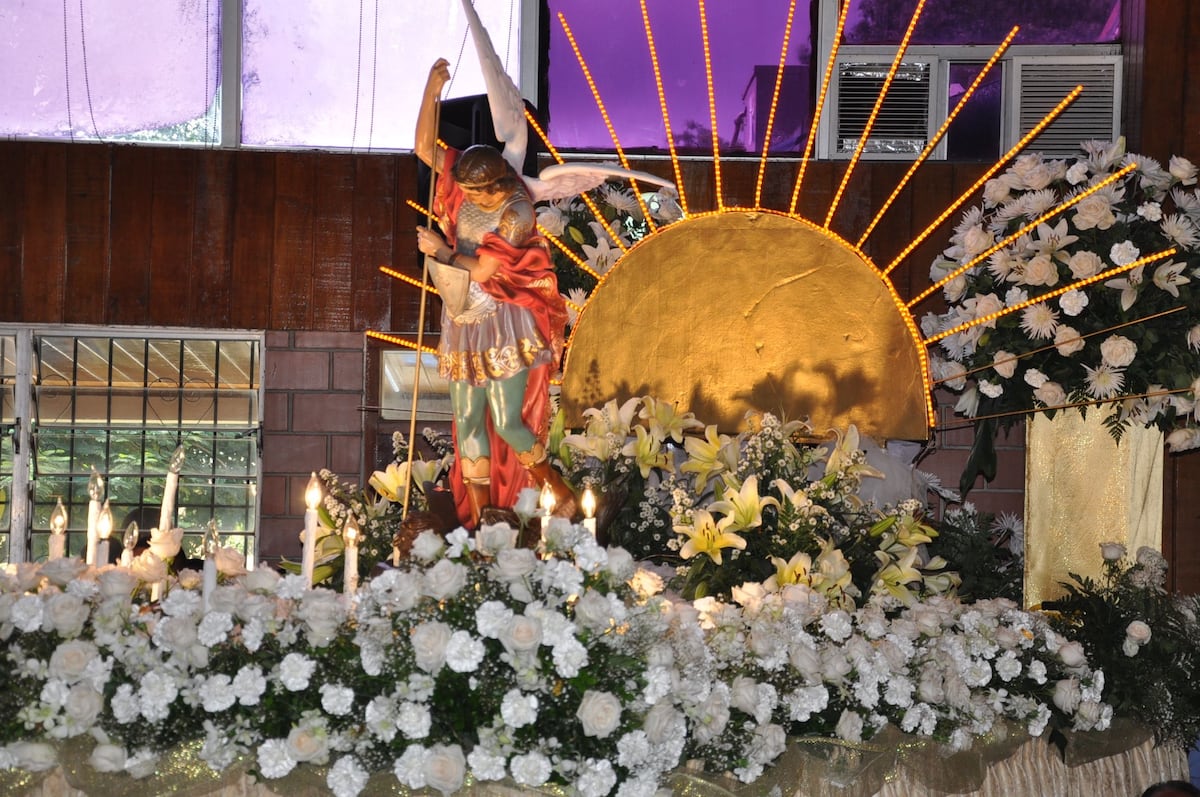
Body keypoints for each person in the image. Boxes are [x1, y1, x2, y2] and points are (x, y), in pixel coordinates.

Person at [413, 58, 575, 531]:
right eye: (460, 188)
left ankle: (557, 488)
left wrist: (442, 250)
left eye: (473, 192)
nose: (463, 197)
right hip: (463, 317)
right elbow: (424, 147)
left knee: (506, 422)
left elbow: (485, 268)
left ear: (495, 183)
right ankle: (481, 522)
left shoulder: (518, 210)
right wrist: (431, 90)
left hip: (504, 319)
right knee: (467, 425)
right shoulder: (465, 188)